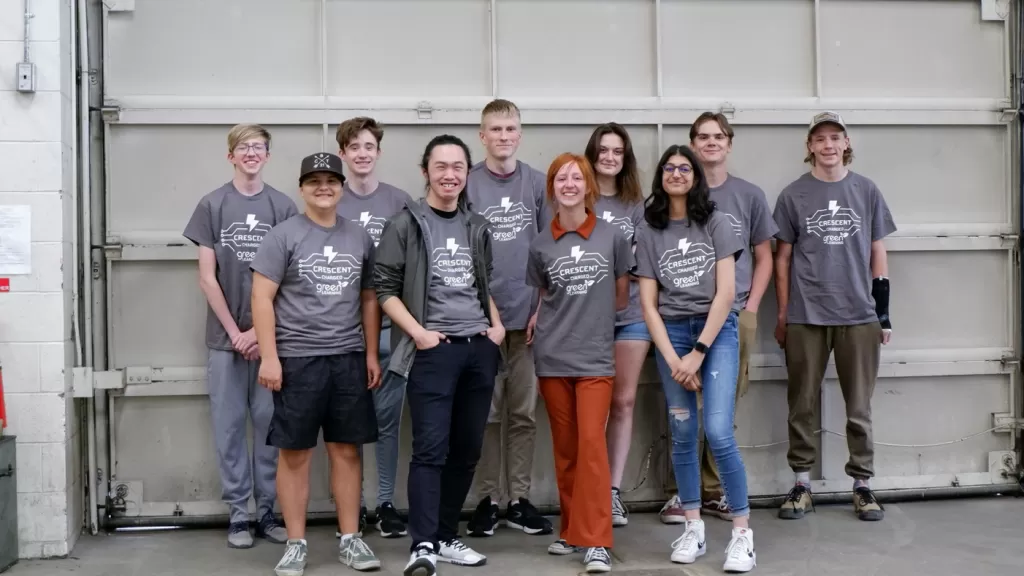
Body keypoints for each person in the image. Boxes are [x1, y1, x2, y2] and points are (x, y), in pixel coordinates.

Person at [374, 134, 505, 576]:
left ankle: (447, 536)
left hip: (478, 349)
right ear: (425, 171)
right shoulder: (404, 224)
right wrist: (419, 334)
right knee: (430, 449)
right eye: (441, 166)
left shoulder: (477, 225)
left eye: (458, 167)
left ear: (467, 172)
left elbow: (482, 283)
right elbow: (385, 290)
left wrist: (496, 327)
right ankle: (424, 543)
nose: (450, 175)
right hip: (433, 350)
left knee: (467, 448)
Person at [250, 152, 382, 575]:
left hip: (347, 357)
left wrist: (371, 353)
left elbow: (369, 298)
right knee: (295, 454)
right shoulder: (282, 236)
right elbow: (261, 298)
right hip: (298, 359)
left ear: (342, 187)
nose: (323, 188)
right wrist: (270, 357)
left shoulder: (359, 237)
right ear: (302, 188)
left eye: (331, 181)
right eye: (314, 181)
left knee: (346, 449)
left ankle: (350, 539)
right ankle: (295, 544)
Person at [634, 145, 756, 572]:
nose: (676, 174)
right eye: (669, 168)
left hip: (715, 332)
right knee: (683, 433)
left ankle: (742, 535)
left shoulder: (717, 222)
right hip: (671, 334)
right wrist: (674, 360)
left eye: (684, 168)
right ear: (660, 177)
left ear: (696, 177)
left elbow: (727, 293)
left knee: (719, 432)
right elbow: (648, 305)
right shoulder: (648, 229)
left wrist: (698, 353)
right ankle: (693, 527)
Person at [655, 112, 778, 524]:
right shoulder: (672, 200)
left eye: (718, 136)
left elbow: (764, 256)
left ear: (729, 143)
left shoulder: (748, 195)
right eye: (703, 137)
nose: (711, 143)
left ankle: (714, 491)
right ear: (692, 144)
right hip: (679, 319)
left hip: (732, 315)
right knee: (682, 410)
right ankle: (682, 493)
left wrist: (751, 307)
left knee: (720, 412)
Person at [773, 111, 896, 522]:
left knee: (859, 407)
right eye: (820, 138)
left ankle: (862, 485)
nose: (828, 145)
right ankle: (801, 484)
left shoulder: (866, 190)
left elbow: (878, 250)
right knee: (801, 404)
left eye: (835, 137)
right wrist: (784, 313)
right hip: (806, 315)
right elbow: (782, 258)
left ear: (846, 143)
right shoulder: (793, 195)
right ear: (810, 146)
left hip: (858, 314)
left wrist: (883, 313)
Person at [182, 123, 294, 549]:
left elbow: (289, 279)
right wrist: (236, 333)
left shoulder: (283, 207)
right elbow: (207, 278)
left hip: (270, 343)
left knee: (269, 426)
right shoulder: (212, 205)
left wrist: (259, 334)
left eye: (258, 147)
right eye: (243, 147)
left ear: (267, 156)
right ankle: (238, 515)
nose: (251, 153)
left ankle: (267, 511)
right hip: (224, 341)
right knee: (229, 428)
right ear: (231, 155)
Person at [525, 153, 633, 573]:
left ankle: (597, 540)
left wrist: (590, 319)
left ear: (588, 186)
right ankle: (571, 529)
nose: (569, 185)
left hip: (595, 358)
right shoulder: (540, 244)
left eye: (576, 178)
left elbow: (621, 297)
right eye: (561, 179)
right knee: (566, 449)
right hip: (552, 357)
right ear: (551, 188)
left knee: (591, 446)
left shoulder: (612, 237)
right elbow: (544, 297)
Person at [465, 99, 553, 538]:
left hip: (527, 320)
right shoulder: (467, 182)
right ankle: (486, 499)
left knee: (523, 414)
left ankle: (518, 499)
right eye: (495, 129)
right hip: (479, 321)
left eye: (510, 128)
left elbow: (551, 247)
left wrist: (541, 306)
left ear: (520, 134)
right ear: (482, 136)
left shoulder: (536, 183)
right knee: (486, 414)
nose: (503, 136)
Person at [335, 116, 415, 539]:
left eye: (369, 146)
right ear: (343, 153)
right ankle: (351, 509)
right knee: (346, 428)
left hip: (390, 333)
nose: (362, 153)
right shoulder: (331, 198)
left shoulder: (400, 202)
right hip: (344, 335)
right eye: (354, 147)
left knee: (387, 424)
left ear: (378, 152)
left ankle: (384, 503)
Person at [580, 123, 649, 528]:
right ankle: (589, 489)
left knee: (622, 402)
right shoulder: (576, 197)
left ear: (626, 158)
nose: (609, 157)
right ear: (592, 155)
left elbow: (643, 262)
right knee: (591, 407)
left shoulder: (636, 204)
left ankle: (612, 491)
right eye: (603, 150)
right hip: (586, 318)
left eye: (617, 151)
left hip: (632, 316)